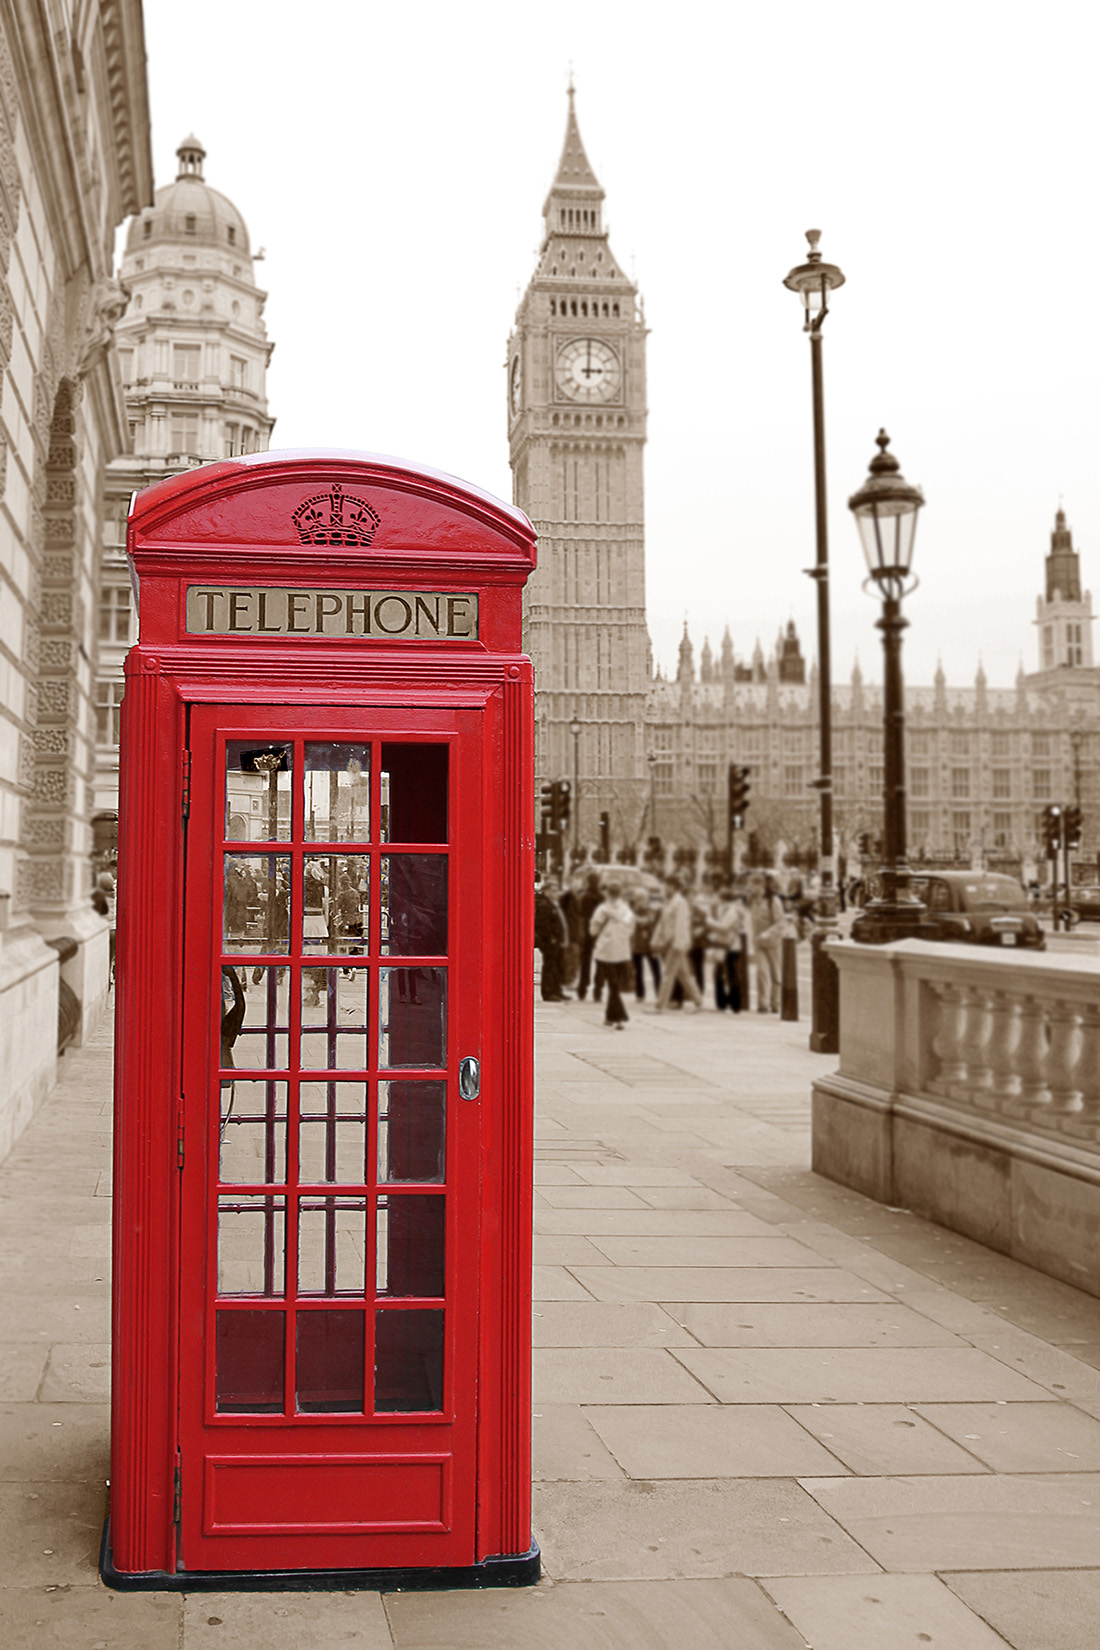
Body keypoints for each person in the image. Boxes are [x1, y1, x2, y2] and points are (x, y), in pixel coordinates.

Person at [588, 879, 635, 1028]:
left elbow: (593, 930)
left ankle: (618, 1017)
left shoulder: (602, 909)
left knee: (612, 985)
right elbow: (631, 929)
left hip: (605, 951)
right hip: (622, 951)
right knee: (615, 986)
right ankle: (612, 1017)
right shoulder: (626, 910)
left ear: (607, 893)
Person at [653, 876, 703, 1012]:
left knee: (668, 974)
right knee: (684, 975)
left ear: (674, 887)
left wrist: (678, 944)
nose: (665, 889)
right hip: (669, 942)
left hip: (676, 943)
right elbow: (662, 923)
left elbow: (681, 925)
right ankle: (698, 1001)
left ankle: (660, 1005)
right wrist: (656, 940)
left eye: (667, 886)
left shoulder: (680, 903)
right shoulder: (668, 902)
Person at [749, 873, 785, 1013]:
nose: (750, 888)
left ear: (761, 885)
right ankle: (762, 1003)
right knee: (762, 972)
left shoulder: (773, 901)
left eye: (753, 884)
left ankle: (775, 1003)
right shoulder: (753, 901)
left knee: (776, 973)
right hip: (758, 942)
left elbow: (781, 922)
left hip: (773, 942)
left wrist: (768, 933)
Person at [711, 883, 746, 1012]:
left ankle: (733, 1003)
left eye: (718, 897)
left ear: (723, 898)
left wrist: (709, 922)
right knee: (722, 973)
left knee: (730, 974)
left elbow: (724, 927)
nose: (716, 899)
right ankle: (724, 1002)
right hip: (725, 945)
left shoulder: (732, 911)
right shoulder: (725, 909)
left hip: (730, 946)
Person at [534, 877, 569, 1001]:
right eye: (553, 890)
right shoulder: (544, 905)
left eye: (557, 890)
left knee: (558, 966)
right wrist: (551, 938)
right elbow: (543, 924)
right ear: (547, 891)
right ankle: (548, 992)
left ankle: (557, 990)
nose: (556, 893)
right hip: (550, 941)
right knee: (550, 966)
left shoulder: (553, 903)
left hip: (557, 940)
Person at [575, 871, 604, 1001]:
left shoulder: (585, 897)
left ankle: (582, 988)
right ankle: (598, 990)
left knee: (585, 962)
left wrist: (581, 932)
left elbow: (581, 916)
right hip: (599, 932)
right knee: (600, 962)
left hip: (587, 931)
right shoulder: (601, 898)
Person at [630, 890, 661, 1000]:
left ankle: (659, 993)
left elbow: (647, 920)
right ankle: (640, 994)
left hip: (649, 945)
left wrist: (635, 918)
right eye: (638, 899)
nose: (640, 901)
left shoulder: (650, 911)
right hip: (637, 945)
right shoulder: (632, 911)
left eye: (642, 899)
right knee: (638, 971)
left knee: (655, 970)